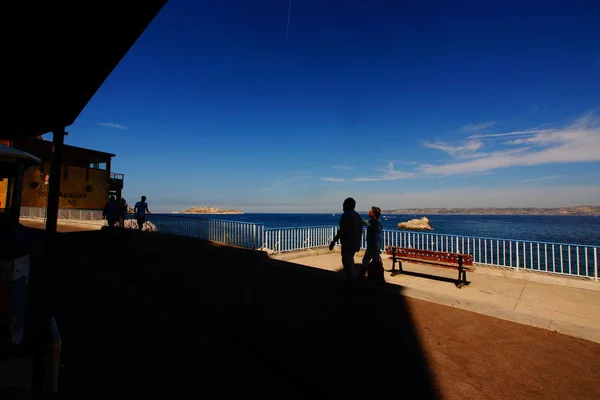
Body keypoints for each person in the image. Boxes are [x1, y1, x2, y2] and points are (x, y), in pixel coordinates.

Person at [328, 197, 364, 289]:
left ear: (348, 205)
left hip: (348, 243)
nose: (342, 205)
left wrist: (334, 241)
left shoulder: (346, 215)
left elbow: (342, 230)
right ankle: (353, 280)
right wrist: (358, 243)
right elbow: (360, 231)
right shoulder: (357, 216)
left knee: (347, 262)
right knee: (350, 261)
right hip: (355, 243)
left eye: (344, 203)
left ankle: (352, 283)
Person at [362, 206, 383, 278]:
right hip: (372, 246)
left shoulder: (376, 223)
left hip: (373, 247)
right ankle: (377, 278)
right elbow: (365, 222)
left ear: (374, 214)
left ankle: (361, 277)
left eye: (370, 212)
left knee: (365, 261)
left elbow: (377, 236)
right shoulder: (372, 222)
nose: (368, 213)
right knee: (375, 263)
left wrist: (376, 249)